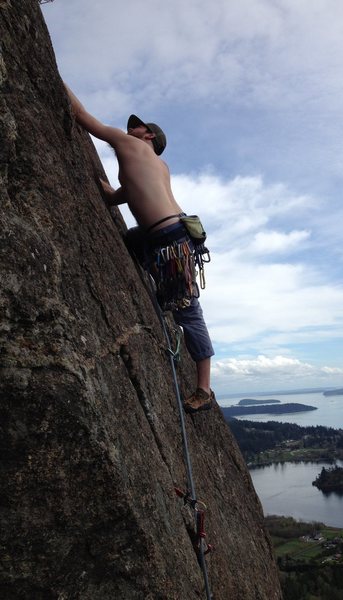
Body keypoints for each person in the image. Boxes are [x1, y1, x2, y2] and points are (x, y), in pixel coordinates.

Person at [64, 84, 215, 413]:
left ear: (148, 136)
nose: (133, 126)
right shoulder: (158, 166)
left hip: (171, 241)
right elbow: (131, 193)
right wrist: (109, 194)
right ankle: (162, 295)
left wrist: (58, 79)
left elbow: (83, 117)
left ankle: (204, 390)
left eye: (140, 126)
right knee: (132, 240)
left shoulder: (129, 143)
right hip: (169, 234)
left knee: (187, 311)